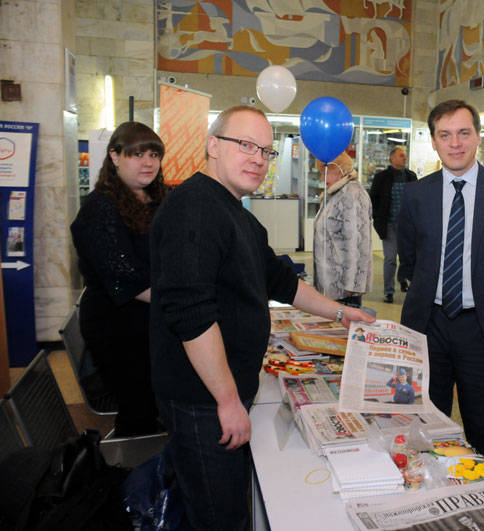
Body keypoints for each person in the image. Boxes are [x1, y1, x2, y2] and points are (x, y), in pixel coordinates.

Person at [149, 105, 374, 530]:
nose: (257, 158)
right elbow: (191, 316)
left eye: (266, 151)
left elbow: (282, 282)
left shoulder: (235, 213)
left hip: (220, 395)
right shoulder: (194, 209)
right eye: (246, 145)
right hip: (203, 403)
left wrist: (342, 313)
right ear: (213, 146)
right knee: (220, 517)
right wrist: (228, 400)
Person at [397, 100, 484, 466]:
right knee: (426, 427)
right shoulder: (416, 195)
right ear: (434, 142)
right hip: (428, 327)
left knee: (483, 432)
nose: (455, 143)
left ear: (477, 137)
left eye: (463, 133)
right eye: (445, 135)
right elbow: (409, 260)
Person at [70, 121, 167, 437]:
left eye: (154, 154)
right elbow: (129, 280)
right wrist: (185, 300)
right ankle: (134, 472)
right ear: (114, 156)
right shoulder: (100, 209)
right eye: (137, 154)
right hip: (119, 329)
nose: (148, 162)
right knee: (140, 411)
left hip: (150, 319)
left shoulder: (153, 200)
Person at [313, 152, 373, 308]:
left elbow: (358, 243)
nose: (321, 179)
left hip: (343, 290)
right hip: (331, 287)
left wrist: (352, 285)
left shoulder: (352, 194)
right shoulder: (336, 193)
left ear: (339, 171)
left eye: (324, 173)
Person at [369, 146, 417, 302]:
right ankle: (388, 291)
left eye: (405, 155)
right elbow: (373, 200)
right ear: (392, 159)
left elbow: (418, 200)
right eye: (401, 155)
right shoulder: (381, 177)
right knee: (390, 258)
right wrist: (377, 219)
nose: (405, 158)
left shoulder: (411, 176)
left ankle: (403, 280)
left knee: (406, 256)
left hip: (408, 226)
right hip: (389, 224)